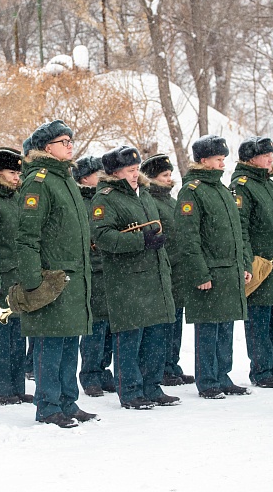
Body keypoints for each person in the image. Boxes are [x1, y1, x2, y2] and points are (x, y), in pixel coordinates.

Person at [16, 120, 94, 428]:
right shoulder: (39, 182)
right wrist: (33, 283)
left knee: (68, 344)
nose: (70, 145)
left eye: (71, 140)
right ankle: (48, 406)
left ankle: (67, 402)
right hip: (51, 281)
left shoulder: (65, 180)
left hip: (72, 279)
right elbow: (27, 237)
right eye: (64, 142)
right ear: (47, 148)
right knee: (50, 345)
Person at [92, 146, 179, 409]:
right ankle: (130, 391)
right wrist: (140, 240)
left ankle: (152, 386)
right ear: (114, 173)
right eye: (129, 170)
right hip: (127, 279)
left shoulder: (144, 194)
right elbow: (102, 237)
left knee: (154, 336)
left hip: (153, 275)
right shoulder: (105, 199)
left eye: (136, 169)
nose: (134, 174)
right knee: (130, 338)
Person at [171, 135, 251, 399]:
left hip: (229, 271)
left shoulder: (223, 190)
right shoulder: (192, 191)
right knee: (208, 329)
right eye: (218, 159)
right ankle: (207, 381)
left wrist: (244, 264)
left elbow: (238, 233)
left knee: (226, 327)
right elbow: (188, 238)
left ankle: (222, 376)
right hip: (210, 273)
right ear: (203, 160)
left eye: (223, 159)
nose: (222, 164)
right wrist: (199, 273)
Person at [229, 137, 273, 388]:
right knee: (260, 321)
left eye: (271, 154)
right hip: (261, 264)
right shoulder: (242, 186)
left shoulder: (270, 184)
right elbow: (241, 230)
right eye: (265, 155)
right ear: (251, 159)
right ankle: (262, 370)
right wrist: (247, 262)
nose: (271, 158)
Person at [0, 146, 32, 404]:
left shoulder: (16, 197)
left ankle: (17, 386)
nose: (16, 178)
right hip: (0, 275)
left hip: (18, 277)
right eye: (12, 173)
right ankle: (1, 389)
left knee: (18, 335)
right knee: (1, 337)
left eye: (18, 173)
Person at [141, 153, 195, 387]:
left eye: (170, 174)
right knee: (163, 325)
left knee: (175, 322)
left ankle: (172, 365)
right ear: (152, 178)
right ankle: (161, 368)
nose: (169, 179)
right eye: (164, 175)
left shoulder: (170, 201)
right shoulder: (151, 201)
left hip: (179, 270)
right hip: (166, 269)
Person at [73, 155, 115, 397]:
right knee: (95, 327)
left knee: (110, 325)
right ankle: (90, 374)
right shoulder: (81, 201)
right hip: (93, 271)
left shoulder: (104, 198)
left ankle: (103, 370)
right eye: (97, 174)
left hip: (110, 270)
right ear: (84, 178)